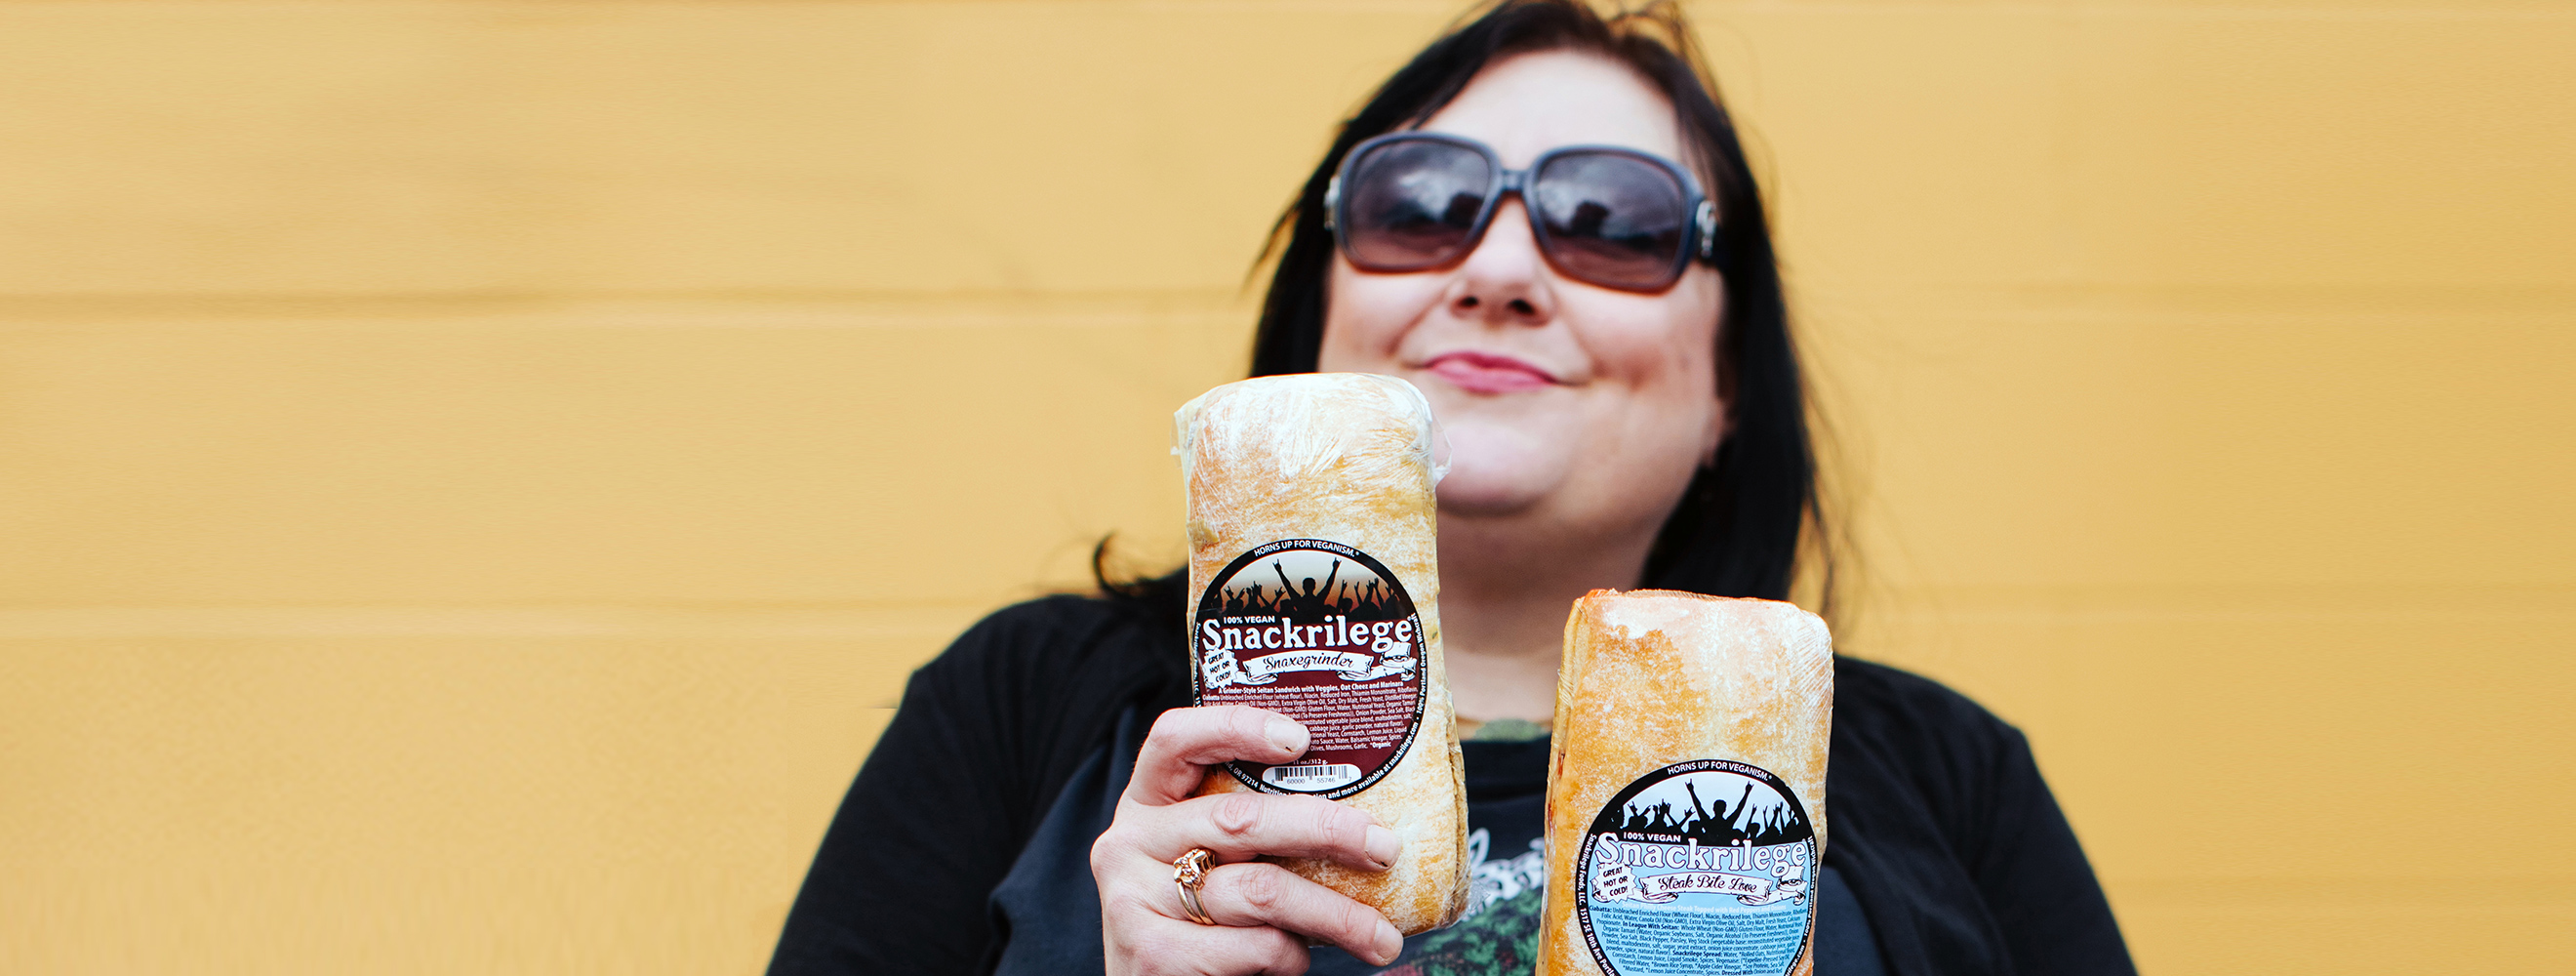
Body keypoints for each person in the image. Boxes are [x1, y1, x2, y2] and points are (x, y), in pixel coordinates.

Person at [766, 3, 2135, 975]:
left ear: (1729, 389)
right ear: (1326, 310)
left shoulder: (1952, 781)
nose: (1496, 266)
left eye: (1614, 222)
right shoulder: (1019, 707)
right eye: (1419, 202)